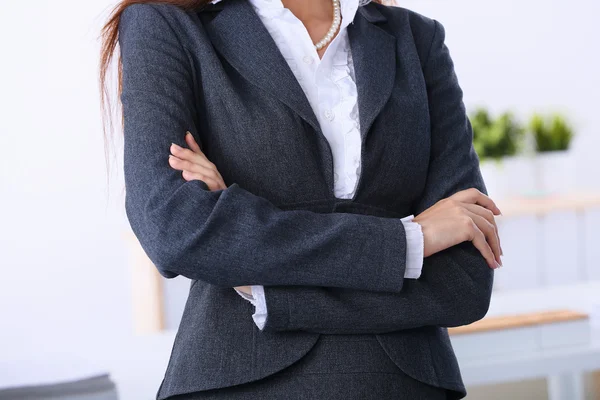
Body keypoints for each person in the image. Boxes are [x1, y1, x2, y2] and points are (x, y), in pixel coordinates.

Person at [99, 0, 503, 398]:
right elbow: (175, 229)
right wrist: (409, 242)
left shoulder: (417, 39)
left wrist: (257, 282)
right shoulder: (168, 26)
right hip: (238, 380)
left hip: (402, 382)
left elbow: (463, 282)